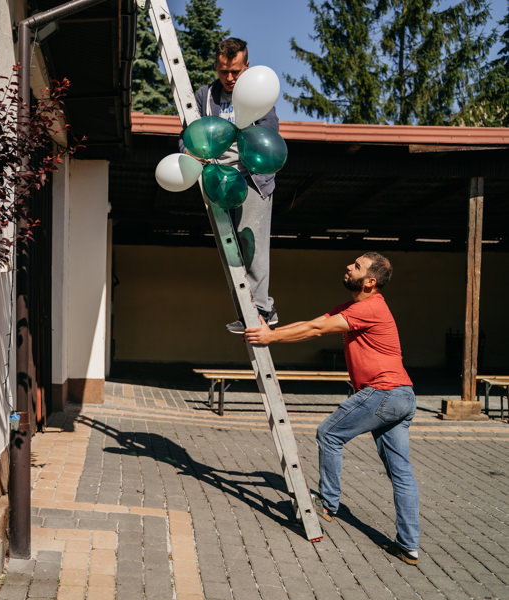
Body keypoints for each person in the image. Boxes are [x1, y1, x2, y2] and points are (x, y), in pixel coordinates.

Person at [244, 252, 421, 566]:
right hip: (402, 395)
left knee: (329, 434)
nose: (348, 267)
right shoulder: (355, 307)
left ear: (370, 281)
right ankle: (409, 547)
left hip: (383, 391)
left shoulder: (370, 307)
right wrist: (274, 331)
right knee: (402, 474)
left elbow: (315, 332)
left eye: (356, 266)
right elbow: (316, 323)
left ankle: (327, 504)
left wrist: (271, 337)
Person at [180, 37, 279, 333]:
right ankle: (245, 309)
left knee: (252, 243)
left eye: (236, 71)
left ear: (246, 66)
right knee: (230, 247)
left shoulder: (258, 93)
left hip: (251, 178)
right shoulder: (204, 95)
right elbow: (188, 133)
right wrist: (190, 155)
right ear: (217, 66)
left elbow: (269, 135)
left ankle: (262, 309)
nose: (230, 78)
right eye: (224, 71)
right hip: (217, 178)